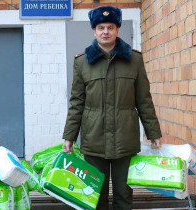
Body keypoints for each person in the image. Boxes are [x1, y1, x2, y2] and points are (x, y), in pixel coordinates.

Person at [62, 6, 162, 210]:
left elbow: (144, 99)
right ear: (94, 31)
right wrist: (69, 136)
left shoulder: (134, 60)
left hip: (125, 140)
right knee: (93, 194)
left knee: (123, 196)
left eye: (110, 27)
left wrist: (153, 132)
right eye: (101, 27)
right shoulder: (82, 63)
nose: (105, 31)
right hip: (93, 141)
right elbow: (76, 103)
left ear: (117, 29)